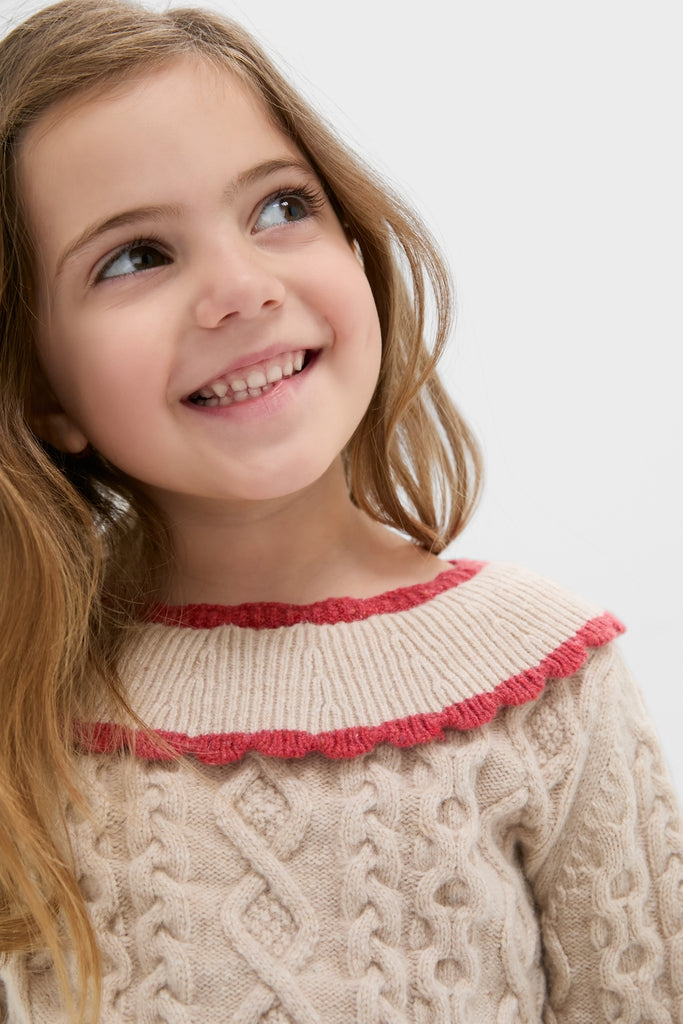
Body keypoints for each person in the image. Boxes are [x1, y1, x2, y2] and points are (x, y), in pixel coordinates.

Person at [0, 0, 681, 1021]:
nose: (239, 287)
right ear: (41, 390)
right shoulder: (28, 700)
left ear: (356, 242)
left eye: (279, 207)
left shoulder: (542, 683)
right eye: (134, 256)